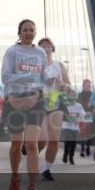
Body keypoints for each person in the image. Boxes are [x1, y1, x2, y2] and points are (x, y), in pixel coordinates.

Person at [1, 19, 47, 190]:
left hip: (36, 100)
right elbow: (5, 77)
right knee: (16, 145)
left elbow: (44, 77)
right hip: (15, 101)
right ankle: (15, 176)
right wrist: (27, 78)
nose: (28, 33)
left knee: (32, 144)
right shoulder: (12, 51)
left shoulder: (40, 52)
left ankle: (32, 185)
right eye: (25, 30)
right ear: (19, 33)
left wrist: (37, 92)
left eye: (31, 30)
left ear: (35, 33)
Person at [37, 37, 70, 181]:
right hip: (38, 104)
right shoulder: (35, 66)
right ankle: (33, 154)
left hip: (56, 104)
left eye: (48, 45)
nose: (46, 48)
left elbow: (68, 86)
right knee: (42, 138)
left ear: (52, 48)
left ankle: (47, 169)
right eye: (42, 46)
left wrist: (61, 83)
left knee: (54, 140)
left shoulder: (59, 66)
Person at [61, 88, 83, 164]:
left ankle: (71, 157)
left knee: (73, 143)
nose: (72, 97)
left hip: (75, 127)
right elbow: (62, 115)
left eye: (74, 96)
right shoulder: (65, 105)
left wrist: (79, 119)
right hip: (66, 126)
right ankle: (65, 155)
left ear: (76, 97)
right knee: (67, 141)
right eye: (71, 96)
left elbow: (82, 115)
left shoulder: (79, 106)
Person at [77, 79, 95, 157]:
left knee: (88, 132)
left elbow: (94, 106)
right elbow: (77, 104)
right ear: (83, 85)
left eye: (89, 86)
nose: (88, 87)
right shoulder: (79, 95)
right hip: (81, 114)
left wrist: (93, 112)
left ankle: (87, 147)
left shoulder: (92, 94)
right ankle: (82, 149)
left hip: (88, 114)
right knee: (82, 132)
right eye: (87, 85)